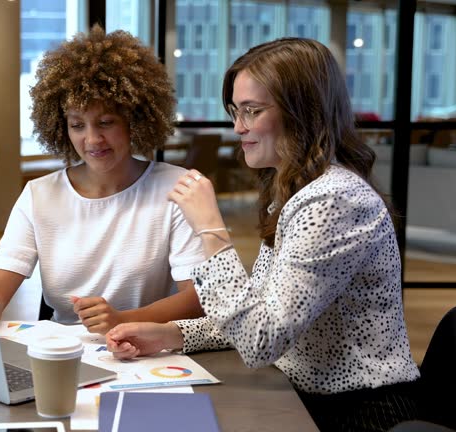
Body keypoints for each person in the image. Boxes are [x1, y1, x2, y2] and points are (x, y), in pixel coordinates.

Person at [106, 38, 421, 432]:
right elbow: (258, 312)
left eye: (252, 112)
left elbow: (260, 341)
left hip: (358, 413)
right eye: (236, 112)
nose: (239, 127)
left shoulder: (335, 200)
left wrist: (211, 229)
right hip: (305, 397)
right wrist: (170, 334)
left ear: (302, 112)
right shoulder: (298, 191)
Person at [0, 25, 206, 334]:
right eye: (77, 125)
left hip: (150, 349)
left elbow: (198, 299)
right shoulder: (39, 195)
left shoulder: (178, 189)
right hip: (63, 355)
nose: (92, 139)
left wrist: (123, 320)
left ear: (135, 120)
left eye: (105, 122)